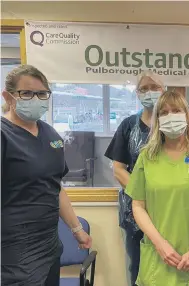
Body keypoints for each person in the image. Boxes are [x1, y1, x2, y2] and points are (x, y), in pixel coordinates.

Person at [125, 90, 189, 286]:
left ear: (187, 115)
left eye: (176, 110)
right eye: (163, 113)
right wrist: (160, 244)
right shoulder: (147, 157)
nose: (170, 117)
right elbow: (138, 206)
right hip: (157, 259)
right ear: (156, 119)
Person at [1, 65, 92, 286]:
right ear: (8, 96)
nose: (36, 99)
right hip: (16, 252)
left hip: (50, 244)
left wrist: (77, 229)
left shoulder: (50, 133)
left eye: (42, 94)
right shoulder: (4, 134)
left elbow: (55, 185)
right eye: (26, 93)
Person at [104, 71, 165, 286]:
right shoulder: (128, 126)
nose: (150, 93)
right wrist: (145, 195)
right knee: (138, 268)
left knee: (169, 266)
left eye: (154, 87)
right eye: (144, 89)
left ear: (163, 90)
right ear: (137, 93)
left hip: (170, 209)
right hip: (135, 211)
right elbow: (119, 169)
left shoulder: (173, 125)